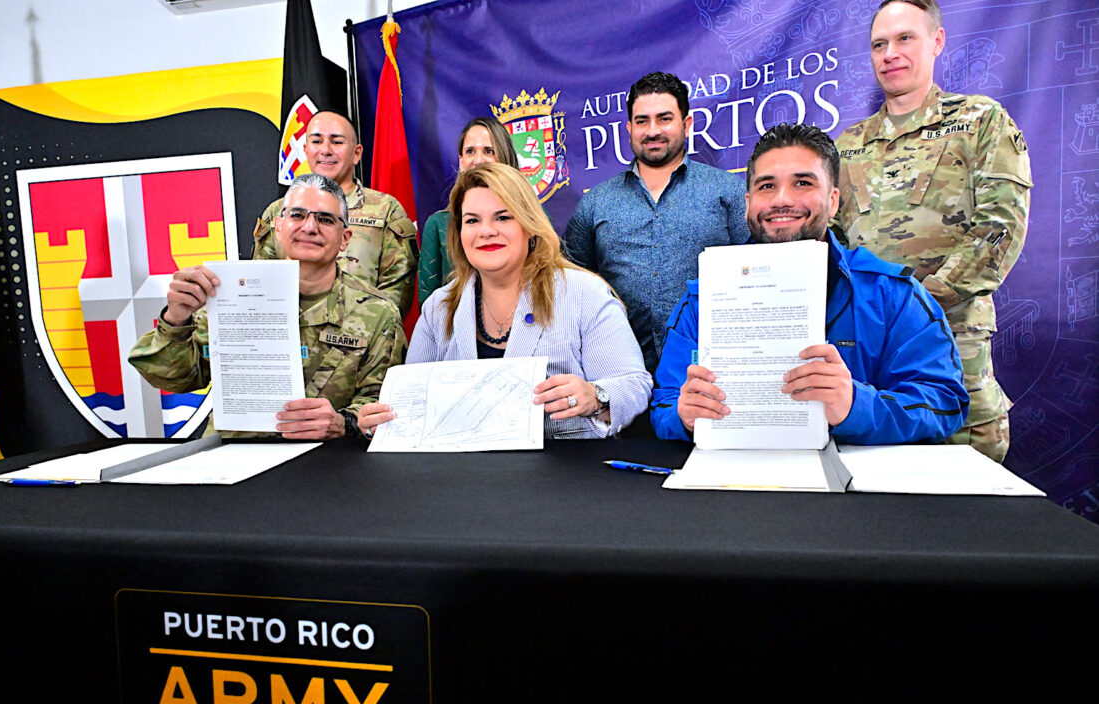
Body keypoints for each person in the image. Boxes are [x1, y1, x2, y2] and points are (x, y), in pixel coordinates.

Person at [652, 123, 968, 444]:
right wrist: (684, 417)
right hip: (737, 483)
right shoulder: (703, 299)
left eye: (802, 182)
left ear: (833, 201)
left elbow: (945, 401)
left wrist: (855, 406)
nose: (782, 199)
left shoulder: (891, 294)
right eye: (766, 186)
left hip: (854, 486)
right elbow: (664, 405)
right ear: (748, 203)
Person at [834, 0, 1031, 462]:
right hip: (868, 357)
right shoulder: (847, 146)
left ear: (937, 41)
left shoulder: (980, 122)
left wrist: (918, 304)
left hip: (953, 342)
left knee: (964, 504)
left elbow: (1000, 228)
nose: (890, 54)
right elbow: (837, 246)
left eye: (905, 39)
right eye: (879, 44)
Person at [359, 162, 652, 440]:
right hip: (464, 479)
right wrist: (382, 420)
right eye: (472, 220)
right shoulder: (439, 308)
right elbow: (413, 406)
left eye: (503, 217)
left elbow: (633, 385)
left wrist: (596, 397)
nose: (486, 231)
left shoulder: (584, 293)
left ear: (529, 226)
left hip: (566, 474)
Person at [130, 174, 406, 440]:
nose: (309, 227)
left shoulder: (377, 313)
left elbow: (380, 403)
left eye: (325, 219)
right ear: (278, 226)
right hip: (233, 455)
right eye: (297, 215)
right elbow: (174, 379)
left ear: (345, 238)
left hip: (324, 463)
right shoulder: (231, 294)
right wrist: (177, 318)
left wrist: (343, 422)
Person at [565, 71, 749, 375]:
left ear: (686, 125)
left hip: (710, 375)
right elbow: (570, 288)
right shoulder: (596, 203)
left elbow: (755, 276)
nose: (653, 131)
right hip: (622, 378)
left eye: (664, 119)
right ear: (629, 128)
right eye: (642, 121)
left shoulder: (727, 192)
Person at [252, 111, 418, 318]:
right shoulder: (278, 211)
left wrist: (361, 329)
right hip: (291, 335)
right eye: (316, 141)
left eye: (337, 142)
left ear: (357, 153)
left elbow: (397, 289)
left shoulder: (385, 210)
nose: (325, 150)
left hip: (362, 338)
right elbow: (262, 284)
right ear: (305, 149)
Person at [419, 117, 521, 307]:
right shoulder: (438, 224)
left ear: (505, 157)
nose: (478, 160)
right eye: (470, 151)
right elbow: (428, 305)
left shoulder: (530, 217)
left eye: (489, 151)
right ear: (461, 161)